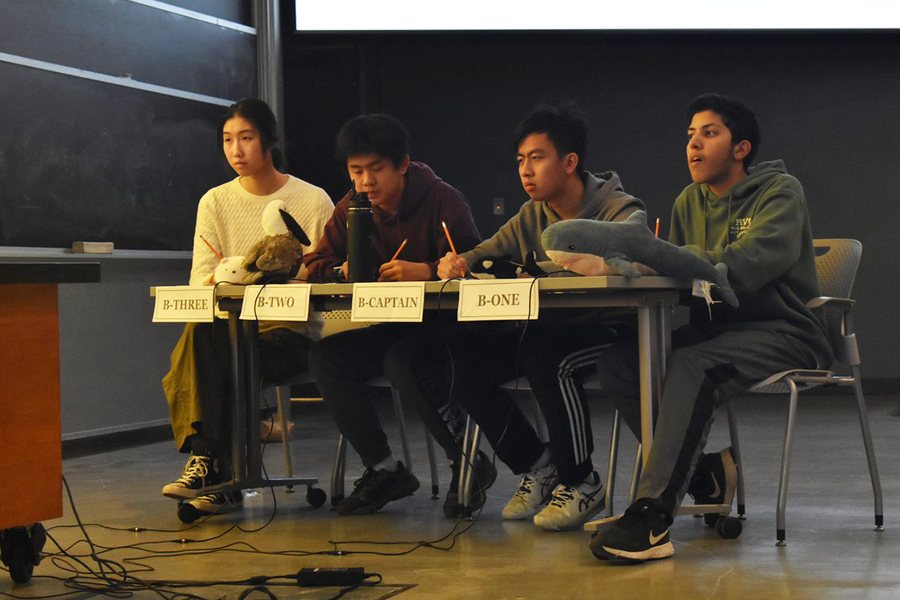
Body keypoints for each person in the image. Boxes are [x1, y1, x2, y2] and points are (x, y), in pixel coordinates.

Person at [589, 94, 833, 562]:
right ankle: (704, 475)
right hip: (719, 333)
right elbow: (678, 275)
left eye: (709, 133)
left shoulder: (780, 191)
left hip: (785, 332)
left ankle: (652, 518)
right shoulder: (687, 200)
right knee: (621, 364)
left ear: (741, 148)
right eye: (689, 136)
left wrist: (676, 258)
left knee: (690, 365)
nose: (694, 144)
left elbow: (754, 262)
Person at [434, 104, 646, 531]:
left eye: (537, 158)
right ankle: (537, 464)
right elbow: (481, 255)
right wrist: (454, 264)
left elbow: (639, 258)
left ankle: (581, 480)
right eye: (520, 161)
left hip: (616, 331)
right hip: (553, 329)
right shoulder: (531, 214)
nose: (525, 171)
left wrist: (589, 263)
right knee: (462, 365)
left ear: (570, 162)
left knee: (548, 359)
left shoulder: (619, 209)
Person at [303, 113, 488, 517]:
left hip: (446, 328)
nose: (366, 182)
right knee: (327, 358)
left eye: (376, 169)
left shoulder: (442, 199)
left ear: (402, 164)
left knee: (402, 360)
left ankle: (468, 462)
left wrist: (427, 270)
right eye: (356, 171)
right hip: (393, 323)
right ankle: (385, 469)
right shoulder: (353, 207)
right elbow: (315, 261)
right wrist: (341, 270)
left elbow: (474, 267)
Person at [161, 99, 334, 518]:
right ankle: (219, 474)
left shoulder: (311, 200)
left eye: (246, 138)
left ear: (269, 141)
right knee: (204, 336)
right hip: (229, 329)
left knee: (205, 351)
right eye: (227, 140)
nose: (236, 150)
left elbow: (327, 279)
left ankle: (210, 468)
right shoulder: (214, 202)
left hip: (290, 334)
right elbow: (201, 280)